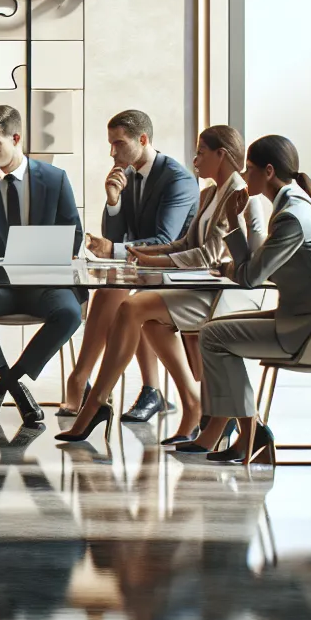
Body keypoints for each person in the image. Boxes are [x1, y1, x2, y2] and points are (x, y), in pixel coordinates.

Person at [55, 125, 271, 445]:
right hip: (200, 286)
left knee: (131, 308)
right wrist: (144, 254)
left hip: (224, 293)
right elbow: (185, 243)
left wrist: (153, 262)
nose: (195, 161)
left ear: (221, 155)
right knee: (151, 324)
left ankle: (96, 403)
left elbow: (208, 255)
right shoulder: (208, 194)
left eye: (201, 153)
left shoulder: (240, 196)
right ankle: (192, 404)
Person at [193, 134, 311, 464]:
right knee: (214, 330)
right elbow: (257, 268)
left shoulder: (290, 217)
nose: (245, 176)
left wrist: (233, 225)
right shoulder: (296, 205)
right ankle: (250, 433)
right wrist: (237, 254)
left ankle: (250, 434)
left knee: (212, 336)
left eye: (250, 169)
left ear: (269, 171)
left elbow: (250, 277)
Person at [0, 105, 84, 426]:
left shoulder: (55, 179)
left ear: (16, 138)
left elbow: (74, 235)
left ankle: (7, 383)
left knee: (70, 312)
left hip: (41, 282)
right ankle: (15, 387)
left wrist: (38, 254)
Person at [72, 109, 199, 423]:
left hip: (178, 270)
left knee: (130, 302)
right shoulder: (129, 176)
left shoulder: (177, 179)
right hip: (144, 270)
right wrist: (113, 200)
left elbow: (166, 240)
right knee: (109, 291)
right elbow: (117, 237)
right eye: (110, 144)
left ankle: (144, 389)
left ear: (142, 139)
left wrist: (113, 249)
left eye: (119, 143)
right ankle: (83, 377)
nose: (112, 152)